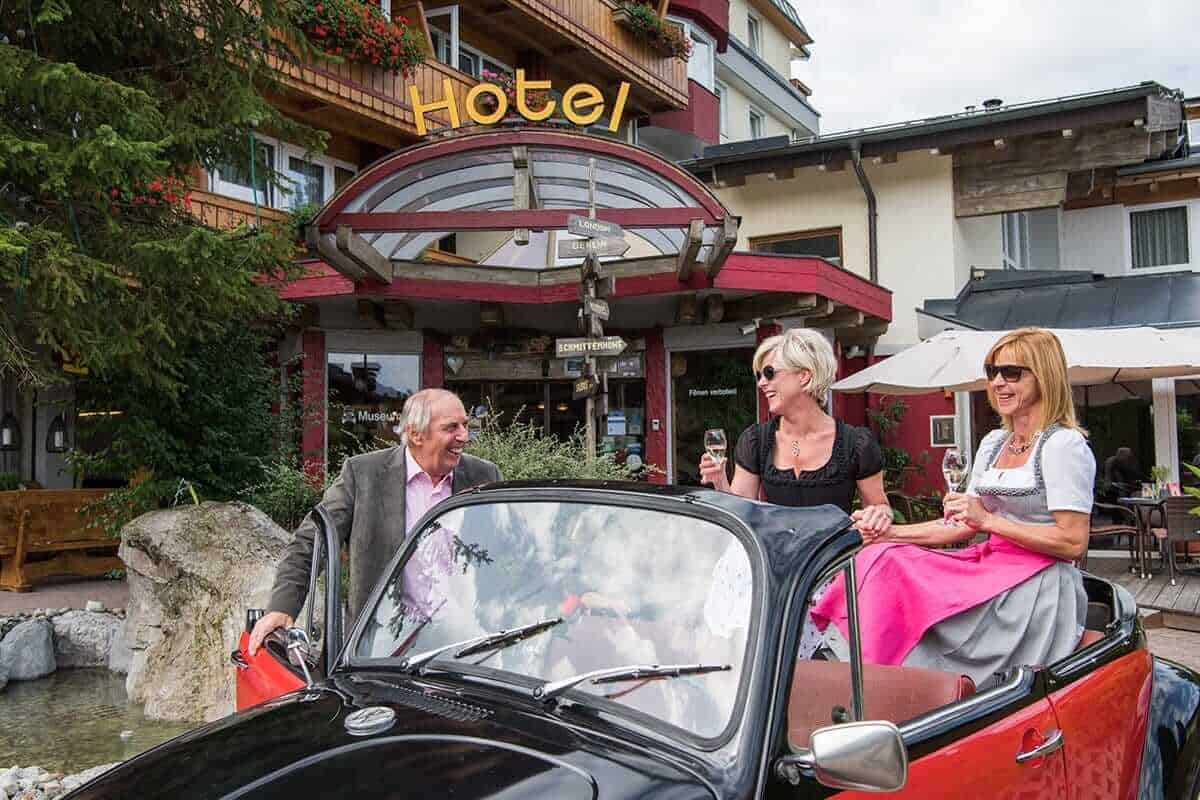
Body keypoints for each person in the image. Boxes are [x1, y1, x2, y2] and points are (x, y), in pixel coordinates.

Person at [811, 327, 1094, 687]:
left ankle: (910, 682)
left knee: (893, 565)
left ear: (1044, 376)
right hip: (991, 567)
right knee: (881, 558)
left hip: (1038, 585)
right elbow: (961, 525)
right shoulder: (995, 442)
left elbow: (1073, 542)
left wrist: (988, 520)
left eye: (1011, 373)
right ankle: (865, 672)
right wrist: (887, 534)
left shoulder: (1063, 446)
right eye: (992, 372)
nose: (997, 382)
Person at [248, 388, 502, 654]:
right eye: (451, 427)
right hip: (380, 649)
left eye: (465, 425)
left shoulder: (484, 475)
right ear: (416, 433)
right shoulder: (363, 475)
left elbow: (510, 552)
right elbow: (311, 542)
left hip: (464, 644)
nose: (464, 436)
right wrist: (281, 608)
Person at [697, 328, 892, 530]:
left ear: (804, 376)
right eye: (759, 376)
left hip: (834, 551)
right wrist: (719, 480)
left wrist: (879, 515)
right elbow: (740, 512)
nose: (761, 383)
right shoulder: (756, 440)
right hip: (775, 550)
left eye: (769, 373)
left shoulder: (856, 443)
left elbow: (880, 506)